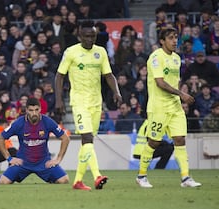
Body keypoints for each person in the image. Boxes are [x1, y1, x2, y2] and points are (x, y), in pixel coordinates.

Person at [55, 20, 122, 190]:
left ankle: (78, 181)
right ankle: (97, 175)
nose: (90, 39)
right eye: (86, 36)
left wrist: (117, 92)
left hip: (96, 103)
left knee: (88, 143)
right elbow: (59, 76)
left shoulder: (101, 52)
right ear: (80, 36)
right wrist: (58, 99)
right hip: (79, 102)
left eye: (93, 36)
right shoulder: (71, 52)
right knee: (87, 138)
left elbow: (108, 75)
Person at [136, 28, 201, 188]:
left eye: (176, 38)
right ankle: (141, 176)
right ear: (162, 41)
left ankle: (185, 178)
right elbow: (160, 82)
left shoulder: (177, 59)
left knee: (180, 139)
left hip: (175, 106)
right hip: (158, 107)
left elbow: (174, 81)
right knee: (154, 142)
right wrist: (182, 94)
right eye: (171, 38)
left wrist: (180, 95)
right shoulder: (156, 57)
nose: (174, 41)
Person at [0, 98, 70, 185]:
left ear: (40, 109)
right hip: (23, 163)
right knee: (4, 182)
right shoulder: (18, 123)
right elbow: (0, 138)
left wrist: (58, 159)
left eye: (36, 110)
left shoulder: (48, 122)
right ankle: (1, 177)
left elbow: (65, 138)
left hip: (43, 163)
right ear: (26, 110)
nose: (34, 113)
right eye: (31, 110)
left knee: (64, 180)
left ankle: (51, 177)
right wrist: (9, 158)